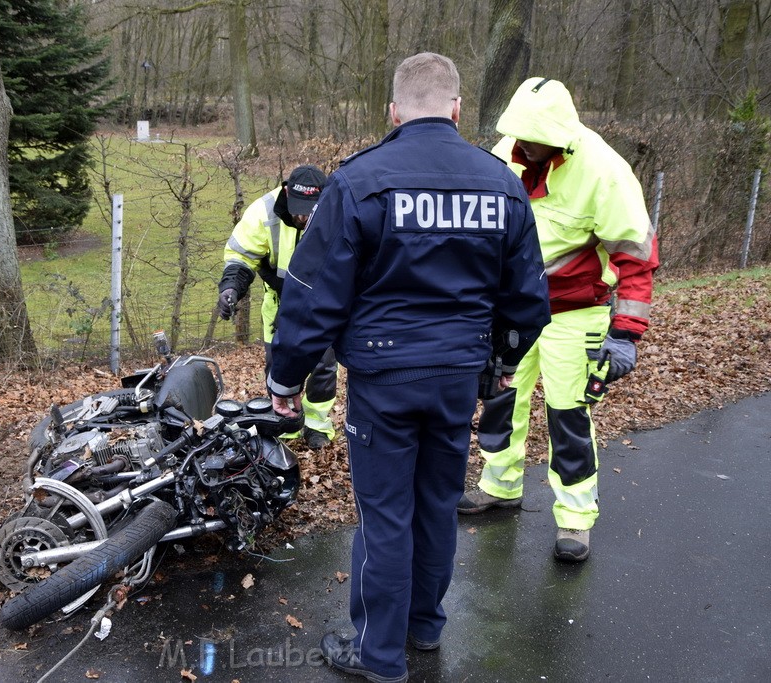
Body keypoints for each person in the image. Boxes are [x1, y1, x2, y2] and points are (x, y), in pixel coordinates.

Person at [266, 53, 551, 683]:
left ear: (393, 112)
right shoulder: (501, 184)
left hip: (385, 378)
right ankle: (423, 625)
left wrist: (285, 378)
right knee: (437, 501)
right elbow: (529, 298)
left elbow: (314, 295)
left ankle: (379, 653)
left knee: (387, 512)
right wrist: (502, 363)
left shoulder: (360, 181)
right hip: (456, 376)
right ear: (456, 108)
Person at [458, 77, 660, 563]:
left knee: (569, 413)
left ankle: (574, 516)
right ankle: (500, 485)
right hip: (512, 309)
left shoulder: (604, 172)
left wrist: (626, 334)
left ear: (559, 137)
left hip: (575, 310)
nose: (523, 147)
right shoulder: (506, 152)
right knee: (502, 396)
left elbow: (635, 255)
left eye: (534, 140)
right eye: (519, 137)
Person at [217, 164, 338, 450]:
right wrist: (231, 289)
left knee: (323, 367)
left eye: (310, 210)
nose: (302, 217)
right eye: (298, 209)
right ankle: (286, 422)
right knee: (278, 365)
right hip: (279, 303)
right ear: (286, 192)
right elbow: (240, 256)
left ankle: (316, 424)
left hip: (324, 305)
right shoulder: (263, 212)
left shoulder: (338, 209)